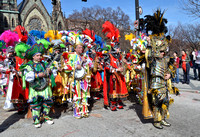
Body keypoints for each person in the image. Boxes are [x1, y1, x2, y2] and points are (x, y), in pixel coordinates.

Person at [21, 43, 57, 128]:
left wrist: (50, 71)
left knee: (47, 101)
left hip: (45, 86)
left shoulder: (45, 64)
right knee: (35, 102)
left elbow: (54, 73)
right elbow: (27, 77)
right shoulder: (29, 65)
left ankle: (46, 116)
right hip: (35, 87)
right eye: (37, 56)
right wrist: (37, 75)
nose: (39, 57)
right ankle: (36, 119)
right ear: (33, 57)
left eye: (40, 55)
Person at [64, 35, 93, 119]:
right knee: (77, 95)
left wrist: (86, 63)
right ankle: (77, 111)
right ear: (75, 48)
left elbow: (91, 66)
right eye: (79, 48)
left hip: (84, 79)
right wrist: (76, 66)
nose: (81, 49)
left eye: (82, 48)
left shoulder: (85, 56)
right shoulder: (71, 56)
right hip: (75, 79)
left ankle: (84, 110)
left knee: (84, 95)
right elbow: (66, 67)